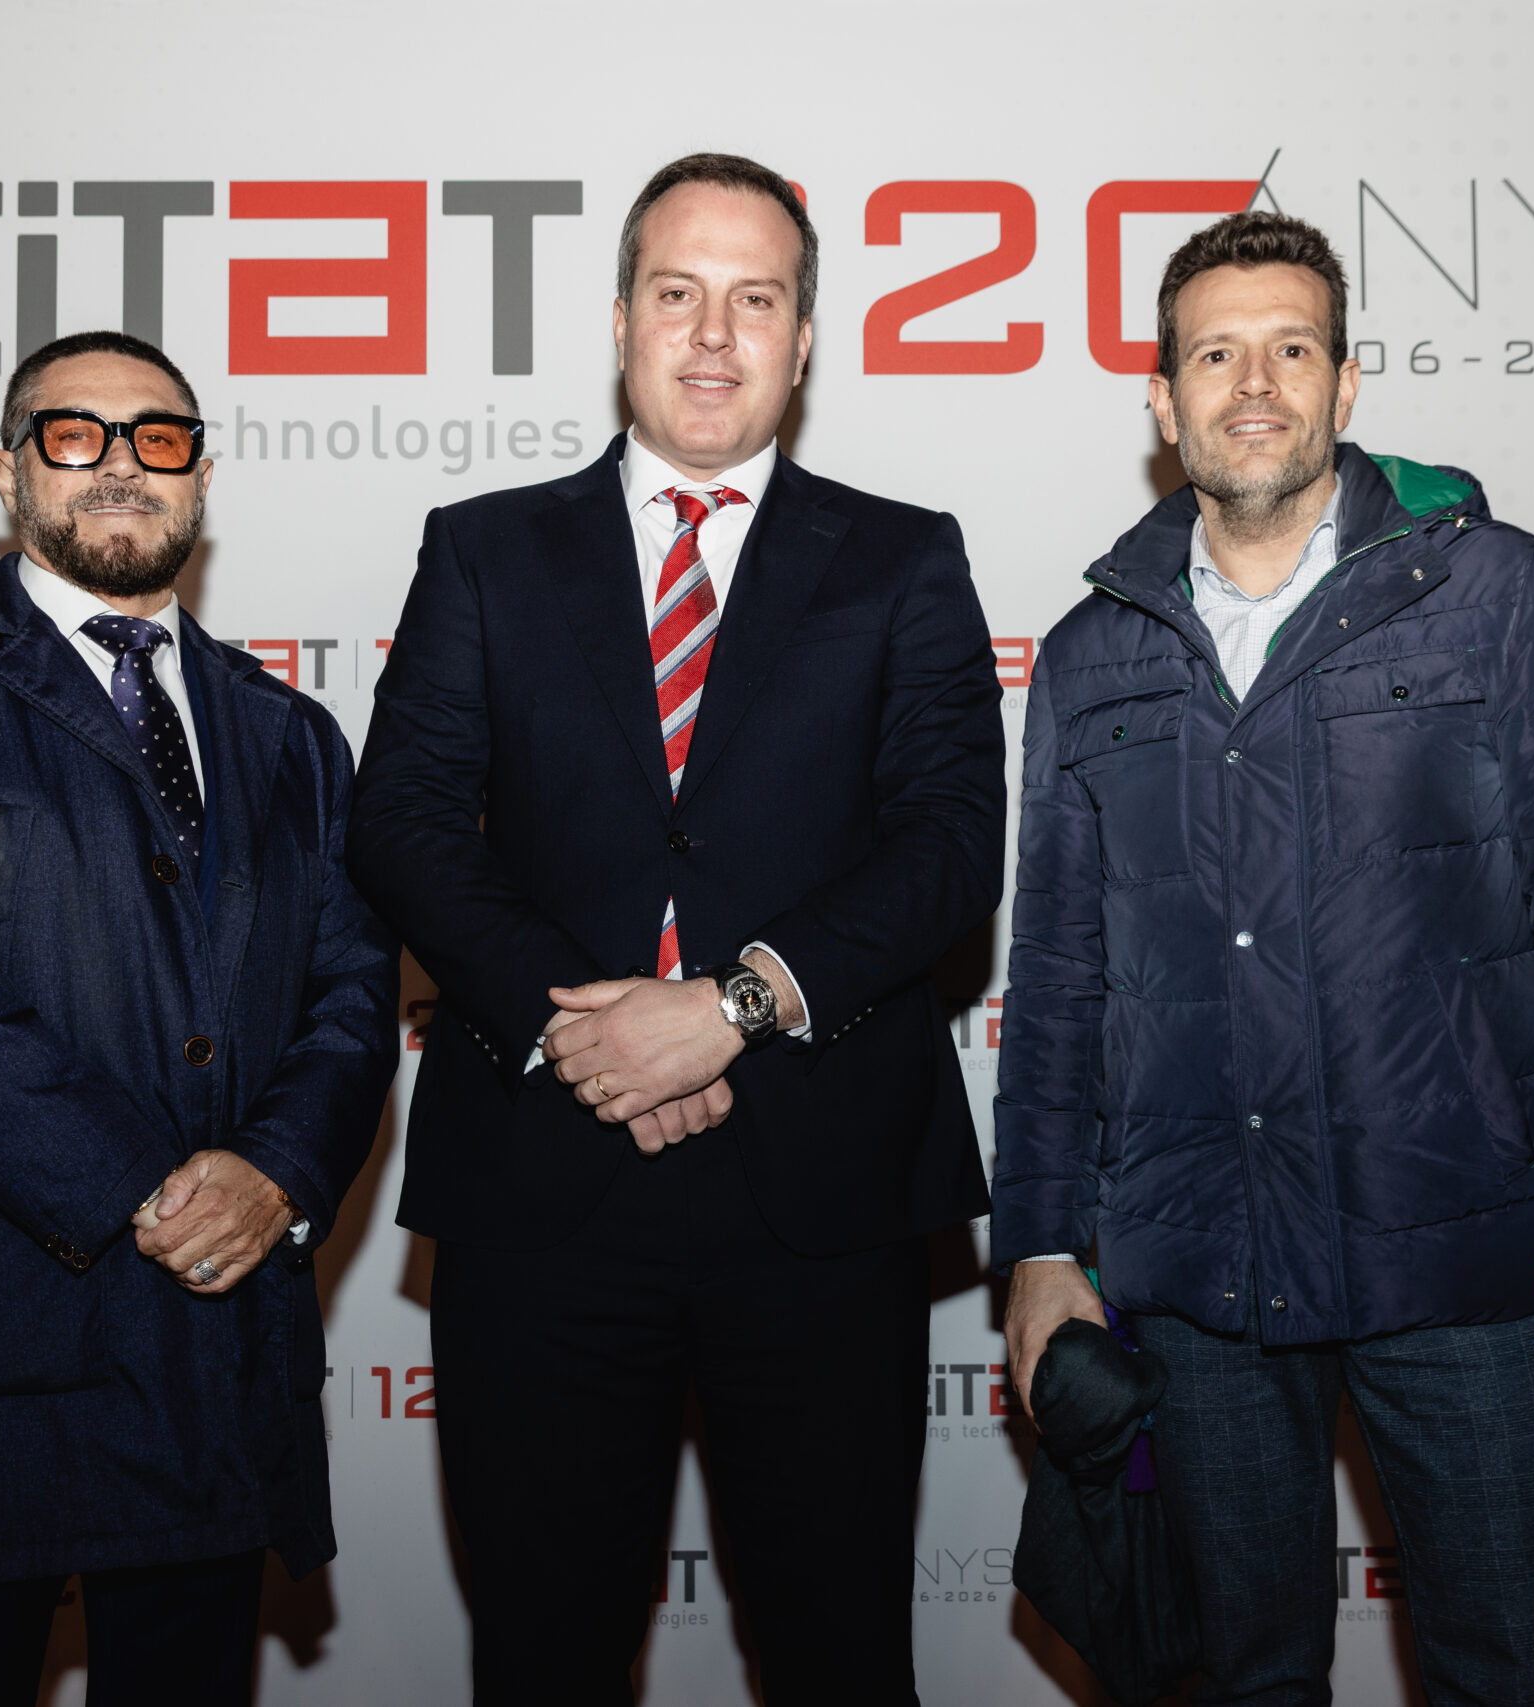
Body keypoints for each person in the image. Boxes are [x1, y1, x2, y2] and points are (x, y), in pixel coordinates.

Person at [994, 212, 1534, 1705]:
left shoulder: (1495, 591)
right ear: (1162, 401)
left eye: (1291, 349)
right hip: (1201, 1275)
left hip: (1466, 1263)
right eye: (1216, 355)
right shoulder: (1093, 651)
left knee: (1503, 1677)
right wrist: (1043, 1250)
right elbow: (1055, 980)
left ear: (1347, 383)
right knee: (1240, 1683)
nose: (1255, 384)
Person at [348, 153, 1005, 1704]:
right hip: (544, 1189)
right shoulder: (485, 549)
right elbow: (405, 825)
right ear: (622, 319)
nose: (714, 336)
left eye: (755, 300)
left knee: (842, 1662)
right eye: (678, 293)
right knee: (544, 1662)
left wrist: (728, 1007)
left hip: (820, 1199)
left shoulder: (904, 556)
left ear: (804, 338)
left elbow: (949, 847)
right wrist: (589, 1031)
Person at [0, 329, 398, 1706]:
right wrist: (150, 1186)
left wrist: (277, 1171)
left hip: (213, 1356)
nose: (121, 462)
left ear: (201, 479)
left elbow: (355, 992)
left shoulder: (291, 734)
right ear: (8, 470)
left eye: (158, 437)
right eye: (75, 433)